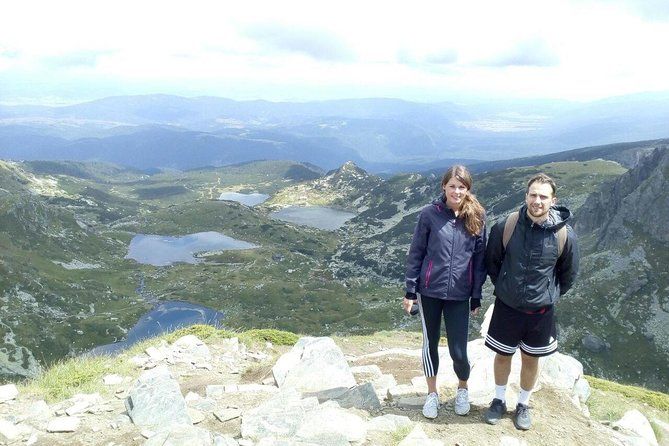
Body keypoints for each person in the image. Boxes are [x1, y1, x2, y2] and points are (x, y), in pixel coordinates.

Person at [483, 173, 579, 430]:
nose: (537, 201)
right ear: (526, 196)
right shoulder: (506, 226)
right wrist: (505, 288)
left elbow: (568, 274)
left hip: (540, 311)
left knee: (531, 359)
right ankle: (499, 400)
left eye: (543, 196)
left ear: (553, 200)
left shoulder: (564, 235)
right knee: (502, 355)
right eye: (533, 195)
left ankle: (523, 404)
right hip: (508, 307)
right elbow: (492, 262)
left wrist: (548, 294)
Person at [402, 165, 487, 419]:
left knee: (458, 351)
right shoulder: (429, 214)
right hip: (429, 292)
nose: (457, 191)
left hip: (460, 295)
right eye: (452, 186)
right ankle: (432, 394)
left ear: (468, 189)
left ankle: (463, 388)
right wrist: (410, 291)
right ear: (444, 187)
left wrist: (476, 295)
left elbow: (479, 261)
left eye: (462, 187)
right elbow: (416, 252)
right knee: (430, 346)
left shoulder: (478, 216)